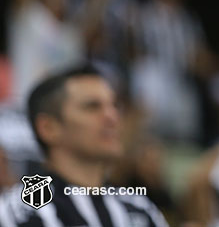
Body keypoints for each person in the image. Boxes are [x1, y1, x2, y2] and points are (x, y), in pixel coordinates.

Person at [0, 65, 168, 226]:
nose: (112, 116)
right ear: (48, 128)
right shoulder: (17, 213)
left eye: (114, 105)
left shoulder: (140, 209)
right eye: (92, 107)